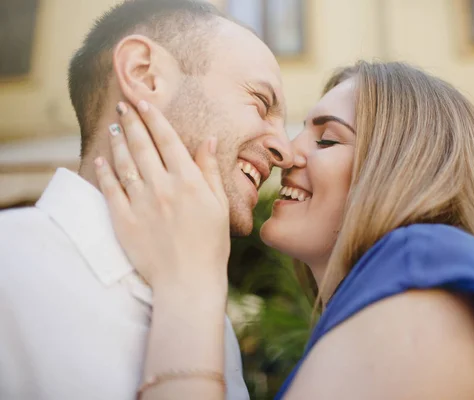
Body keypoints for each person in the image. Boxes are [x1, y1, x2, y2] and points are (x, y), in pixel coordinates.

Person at [97, 61, 474, 400]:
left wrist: (190, 283)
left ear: (402, 168)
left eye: (327, 138)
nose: (285, 152)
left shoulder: (428, 263)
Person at [0, 0, 293, 399]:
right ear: (144, 75)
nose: (286, 152)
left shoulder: (212, 318)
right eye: (260, 102)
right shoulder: (9, 264)